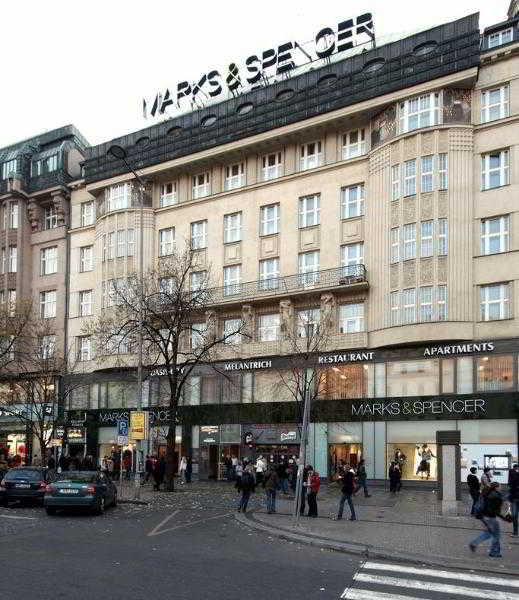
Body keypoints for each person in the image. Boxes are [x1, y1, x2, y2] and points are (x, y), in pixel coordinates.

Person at [469, 481, 505, 558]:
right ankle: (494, 552)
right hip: (491, 517)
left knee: (488, 533)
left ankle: (474, 543)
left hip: (484, 516)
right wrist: (503, 518)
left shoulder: (487, 493)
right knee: (496, 535)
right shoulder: (496, 496)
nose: (501, 488)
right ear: (496, 487)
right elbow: (494, 510)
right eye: (500, 486)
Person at [508, 463, 519, 538]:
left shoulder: (512, 473)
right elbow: (511, 484)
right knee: (514, 516)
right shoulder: (512, 473)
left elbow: (510, 484)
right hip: (515, 498)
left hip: (514, 498)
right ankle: (515, 532)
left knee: (515, 516)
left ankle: (515, 533)